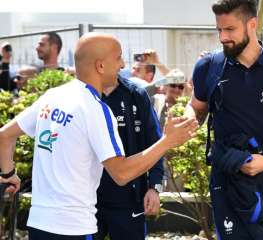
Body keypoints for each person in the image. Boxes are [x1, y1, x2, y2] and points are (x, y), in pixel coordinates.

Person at [0, 32, 197, 240]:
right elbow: (121, 173)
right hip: (74, 228)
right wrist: (167, 142)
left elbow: (4, 135)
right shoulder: (95, 108)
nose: (122, 65)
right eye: (118, 57)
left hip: (39, 224)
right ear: (100, 66)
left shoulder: (53, 96)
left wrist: (8, 174)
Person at [185, 0, 263, 239]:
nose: (223, 37)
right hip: (227, 179)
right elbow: (196, 109)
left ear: (252, 24)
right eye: (219, 30)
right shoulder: (208, 66)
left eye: (230, 29)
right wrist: (186, 119)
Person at [95, 74, 164, 240]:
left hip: (129, 198)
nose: (121, 64)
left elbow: (155, 143)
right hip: (88, 199)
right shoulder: (84, 95)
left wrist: (154, 187)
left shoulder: (135, 94)